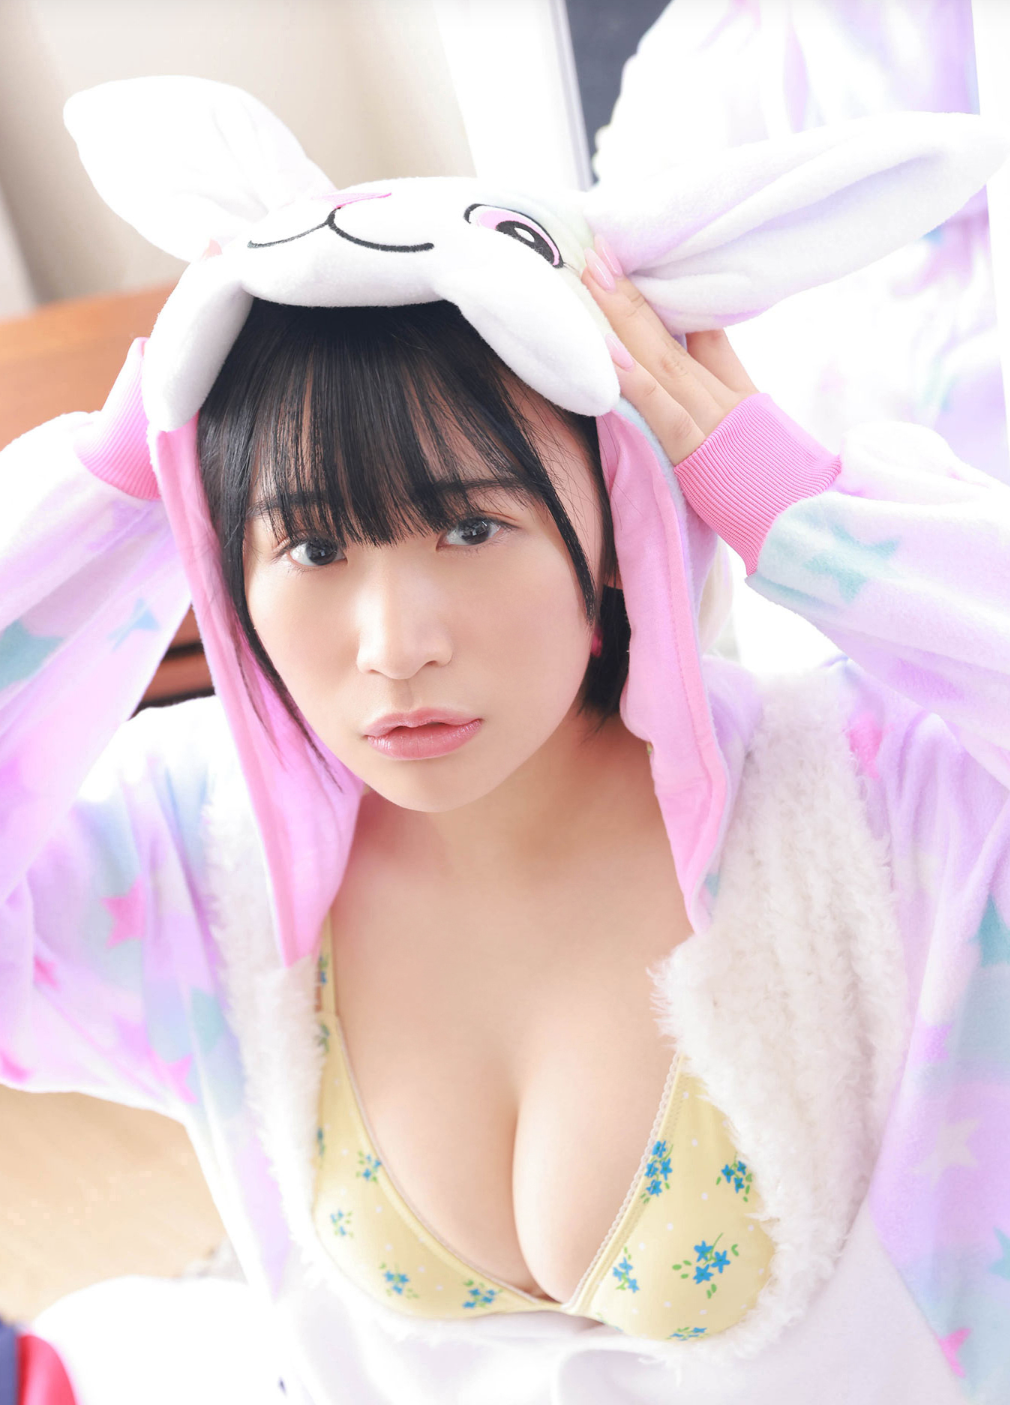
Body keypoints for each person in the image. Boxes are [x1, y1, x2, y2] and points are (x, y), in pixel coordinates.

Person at [2, 76, 1010, 1404]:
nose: (394, 643)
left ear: (616, 521)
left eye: (471, 527)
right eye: (312, 547)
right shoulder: (198, 857)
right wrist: (112, 484)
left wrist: (791, 504)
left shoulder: (873, 814)